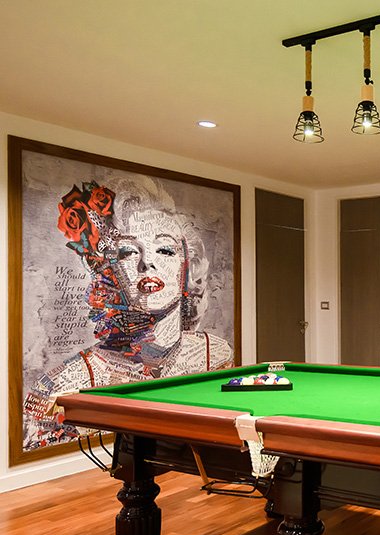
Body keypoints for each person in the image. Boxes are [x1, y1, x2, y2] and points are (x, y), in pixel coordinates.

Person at [26, 177, 234, 449]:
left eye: (165, 250)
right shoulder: (67, 383)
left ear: (189, 267)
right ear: (111, 271)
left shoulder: (214, 354)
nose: (147, 263)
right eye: (129, 252)